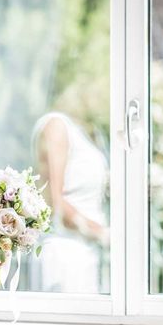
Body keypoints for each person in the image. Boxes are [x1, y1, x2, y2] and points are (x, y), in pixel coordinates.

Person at [31, 112, 109, 293]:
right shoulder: (55, 126)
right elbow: (53, 201)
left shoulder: (84, 132)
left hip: (86, 252)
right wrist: (104, 234)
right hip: (64, 255)